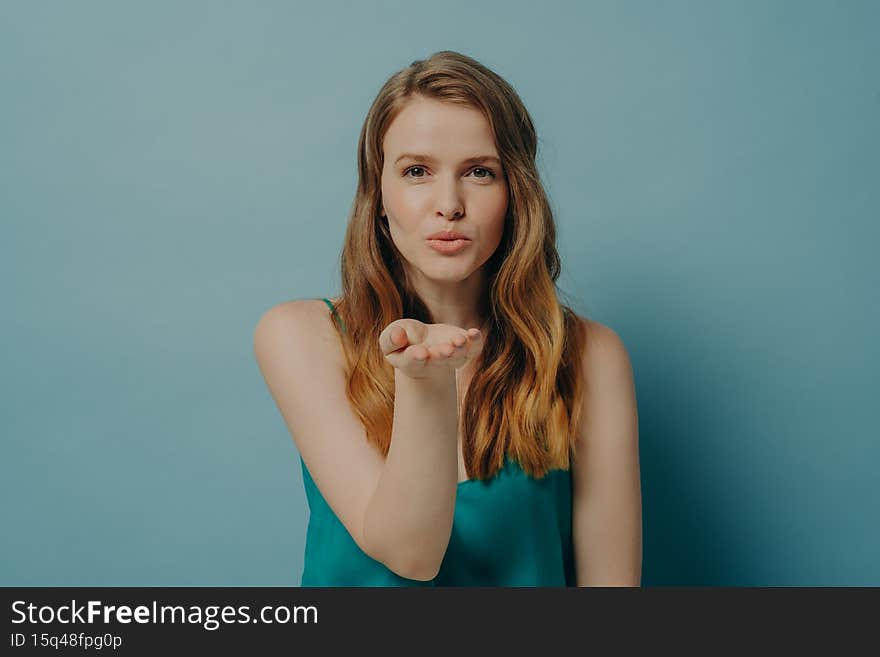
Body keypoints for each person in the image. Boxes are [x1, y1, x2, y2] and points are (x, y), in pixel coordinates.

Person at [254, 50, 642, 586]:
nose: (449, 204)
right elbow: (410, 553)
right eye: (417, 171)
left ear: (516, 194)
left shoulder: (590, 355)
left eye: (480, 172)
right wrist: (424, 380)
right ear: (379, 196)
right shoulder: (301, 335)